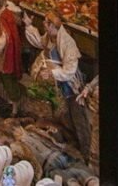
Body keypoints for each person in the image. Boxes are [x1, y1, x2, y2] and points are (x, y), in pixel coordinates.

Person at [24, 9, 90, 160]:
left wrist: (52, 73)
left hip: (71, 88)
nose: (44, 24)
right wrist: (28, 26)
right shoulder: (49, 37)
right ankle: (71, 146)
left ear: (54, 26)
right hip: (58, 88)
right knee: (64, 118)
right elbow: (39, 42)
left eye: (47, 23)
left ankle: (85, 154)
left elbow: (70, 70)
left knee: (79, 121)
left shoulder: (68, 44)